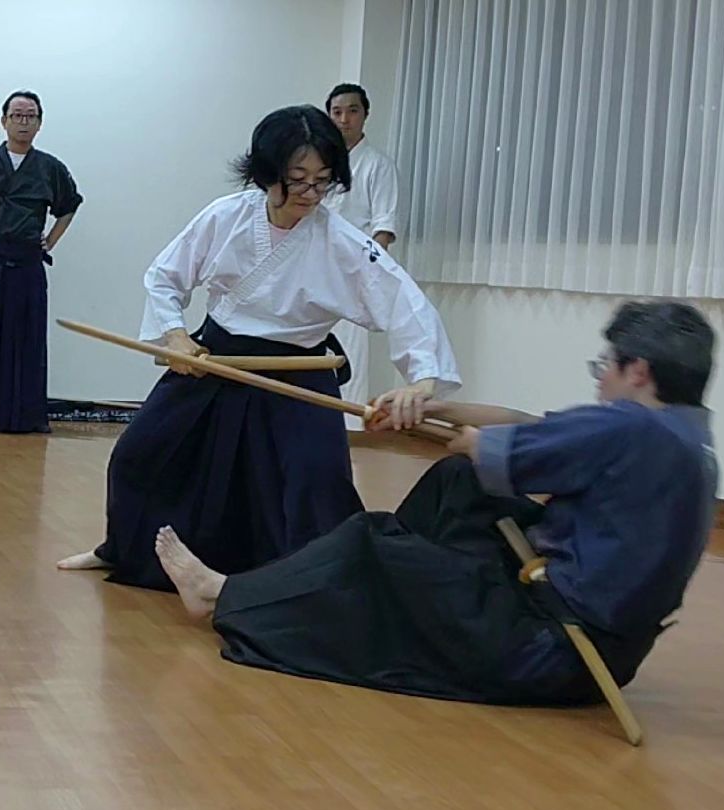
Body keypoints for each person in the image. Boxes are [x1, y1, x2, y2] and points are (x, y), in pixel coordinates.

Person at [153, 301, 719, 706]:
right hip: (604, 658)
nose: (600, 382)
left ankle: (222, 593)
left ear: (638, 371)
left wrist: (422, 424)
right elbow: (527, 425)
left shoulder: (627, 428)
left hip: (547, 646)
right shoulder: (684, 436)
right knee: (460, 483)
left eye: (605, 368)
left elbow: (483, 445)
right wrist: (429, 408)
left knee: (367, 541)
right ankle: (397, 594)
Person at [57, 105, 461, 591]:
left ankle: (306, 587)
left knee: (316, 479)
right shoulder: (226, 216)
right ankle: (122, 548)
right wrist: (177, 336)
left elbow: (405, 303)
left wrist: (422, 380)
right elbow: (165, 277)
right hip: (214, 359)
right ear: (267, 173)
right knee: (140, 453)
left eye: (322, 181)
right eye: (298, 180)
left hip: (300, 370)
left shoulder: (343, 243)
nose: (310, 193)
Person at [0, 90, 83, 433]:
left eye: (30, 116)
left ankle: (24, 416)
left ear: (39, 123)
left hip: (27, 262)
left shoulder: (51, 168)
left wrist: (50, 241)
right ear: (4, 121)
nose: (23, 122)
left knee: (26, 338)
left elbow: (68, 207)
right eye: (17, 115)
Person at [322, 83, 401, 431]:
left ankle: (350, 434)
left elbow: (384, 228)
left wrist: (367, 275)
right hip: (314, 271)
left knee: (349, 355)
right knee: (308, 351)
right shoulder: (320, 164)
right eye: (337, 112)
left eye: (352, 111)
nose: (344, 119)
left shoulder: (377, 165)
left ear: (365, 115)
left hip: (354, 273)